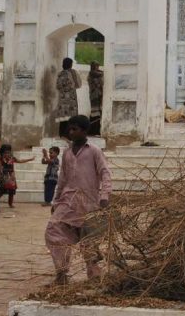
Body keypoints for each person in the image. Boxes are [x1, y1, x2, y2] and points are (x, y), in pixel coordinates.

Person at [46, 115, 112, 285]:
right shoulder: (67, 153)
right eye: (70, 128)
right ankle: (61, 273)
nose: (70, 132)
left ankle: (95, 276)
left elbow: (105, 173)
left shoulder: (94, 151)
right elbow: (62, 179)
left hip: (88, 203)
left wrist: (105, 196)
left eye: (74, 129)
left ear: (84, 131)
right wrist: (56, 201)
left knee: (88, 241)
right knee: (54, 231)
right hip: (67, 203)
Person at [0, 144, 34, 208]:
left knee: (11, 190)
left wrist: (30, 159)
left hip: (11, 177)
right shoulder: (0, 159)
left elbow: (21, 161)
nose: (7, 154)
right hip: (3, 176)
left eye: (9, 152)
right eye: (6, 152)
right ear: (3, 153)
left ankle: (10, 203)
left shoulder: (12, 158)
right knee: (2, 190)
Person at [54, 58, 82, 137]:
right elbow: (79, 85)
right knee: (71, 118)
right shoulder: (73, 73)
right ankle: (70, 135)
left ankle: (62, 134)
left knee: (63, 117)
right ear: (71, 64)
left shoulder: (60, 74)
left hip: (63, 99)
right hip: (71, 99)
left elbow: (58, 86)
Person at [87, 61, 104, 135]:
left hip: (97, 95)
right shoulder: (93, 73)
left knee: (96, 112)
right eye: (97, 66)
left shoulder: (95, 73)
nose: (98, 67)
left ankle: (94, 130)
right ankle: (93, 131)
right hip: (95, 95)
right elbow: (100, 76)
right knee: (95, 113)